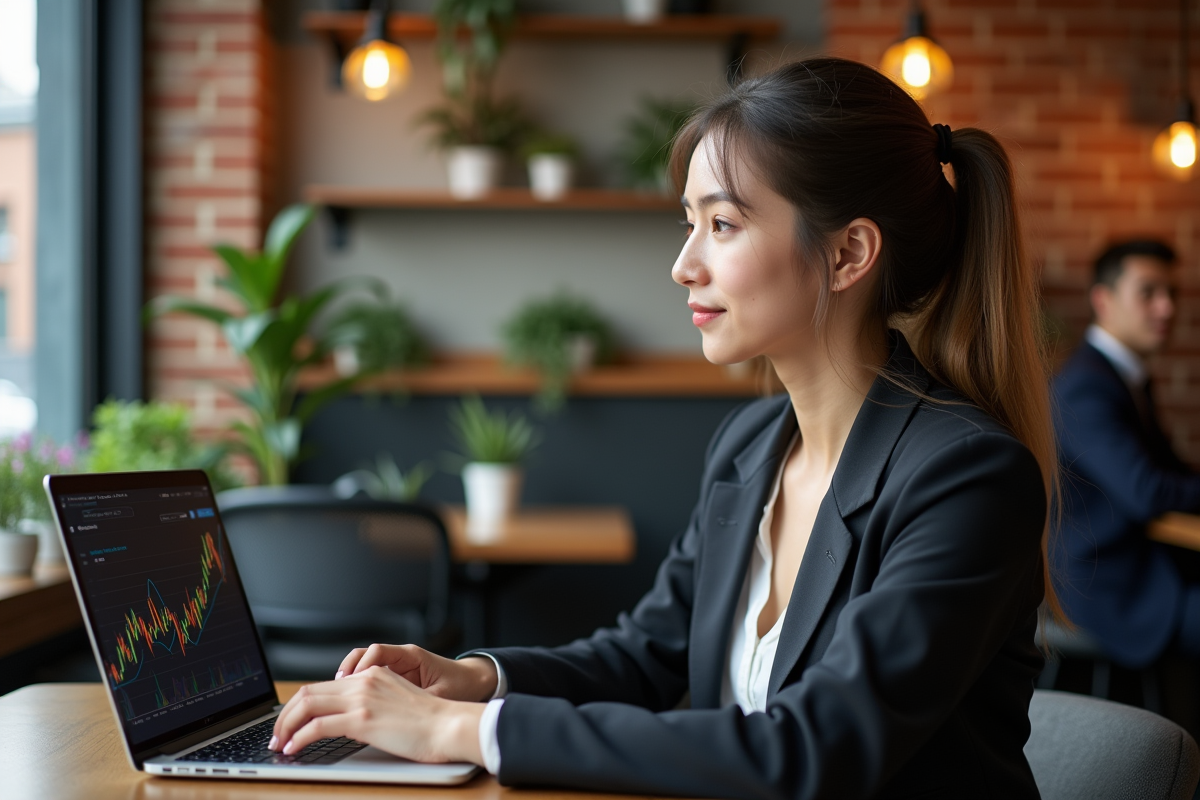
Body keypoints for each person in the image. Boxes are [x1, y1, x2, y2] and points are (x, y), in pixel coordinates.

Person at [267, 58, 1057, 799]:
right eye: (689, 223)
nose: (684, 265)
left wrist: (455, 731)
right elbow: (645, 656)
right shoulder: (750, 447)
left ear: (849, 252)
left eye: (723, 224)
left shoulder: (966, 478)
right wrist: (473, 680)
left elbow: (817, 747)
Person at [1053, 240, 1200, 669]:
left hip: (1147, 564)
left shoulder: (1124, 376)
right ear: (1103, 300)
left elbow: (1171, 471)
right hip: (1110, 588)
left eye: (1172, 293)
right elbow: (1147, 492)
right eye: (1149, 292)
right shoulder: (1086, 386)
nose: (1167, 308)